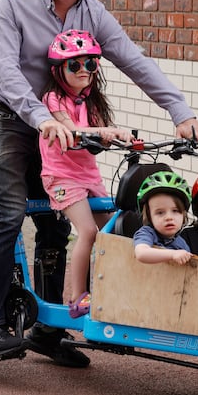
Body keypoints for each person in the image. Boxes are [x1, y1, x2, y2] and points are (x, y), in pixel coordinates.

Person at [0, 0, 198, 365]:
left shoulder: (92, 13)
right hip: (1, 113)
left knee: (53, 224)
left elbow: (134, 61)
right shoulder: (14, 2)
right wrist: (43, 118)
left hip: (53, 123)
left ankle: (48, 327)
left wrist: (181, 112)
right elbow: (5, 68)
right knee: (10, 211)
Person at [39, 29, 134, 318]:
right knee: (89, 231)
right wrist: (106, 131)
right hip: (61, 176)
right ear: (59, 70)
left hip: (89, 175)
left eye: (90, 64)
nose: (84, 70)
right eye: (75, 65)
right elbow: (72, 130)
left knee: (114, 232)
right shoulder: (53, 98)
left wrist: (119, 137)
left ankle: (111, 289)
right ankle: (77, 296)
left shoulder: (92, 101)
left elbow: (100, 135)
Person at [132, 171, 193, 265]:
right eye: (160, 212)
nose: (169, 217)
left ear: (183, 214)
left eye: (175, 211)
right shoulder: (147, 233)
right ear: (149, 216)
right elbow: (141, 253)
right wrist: (173, 254)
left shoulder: (182, 244)